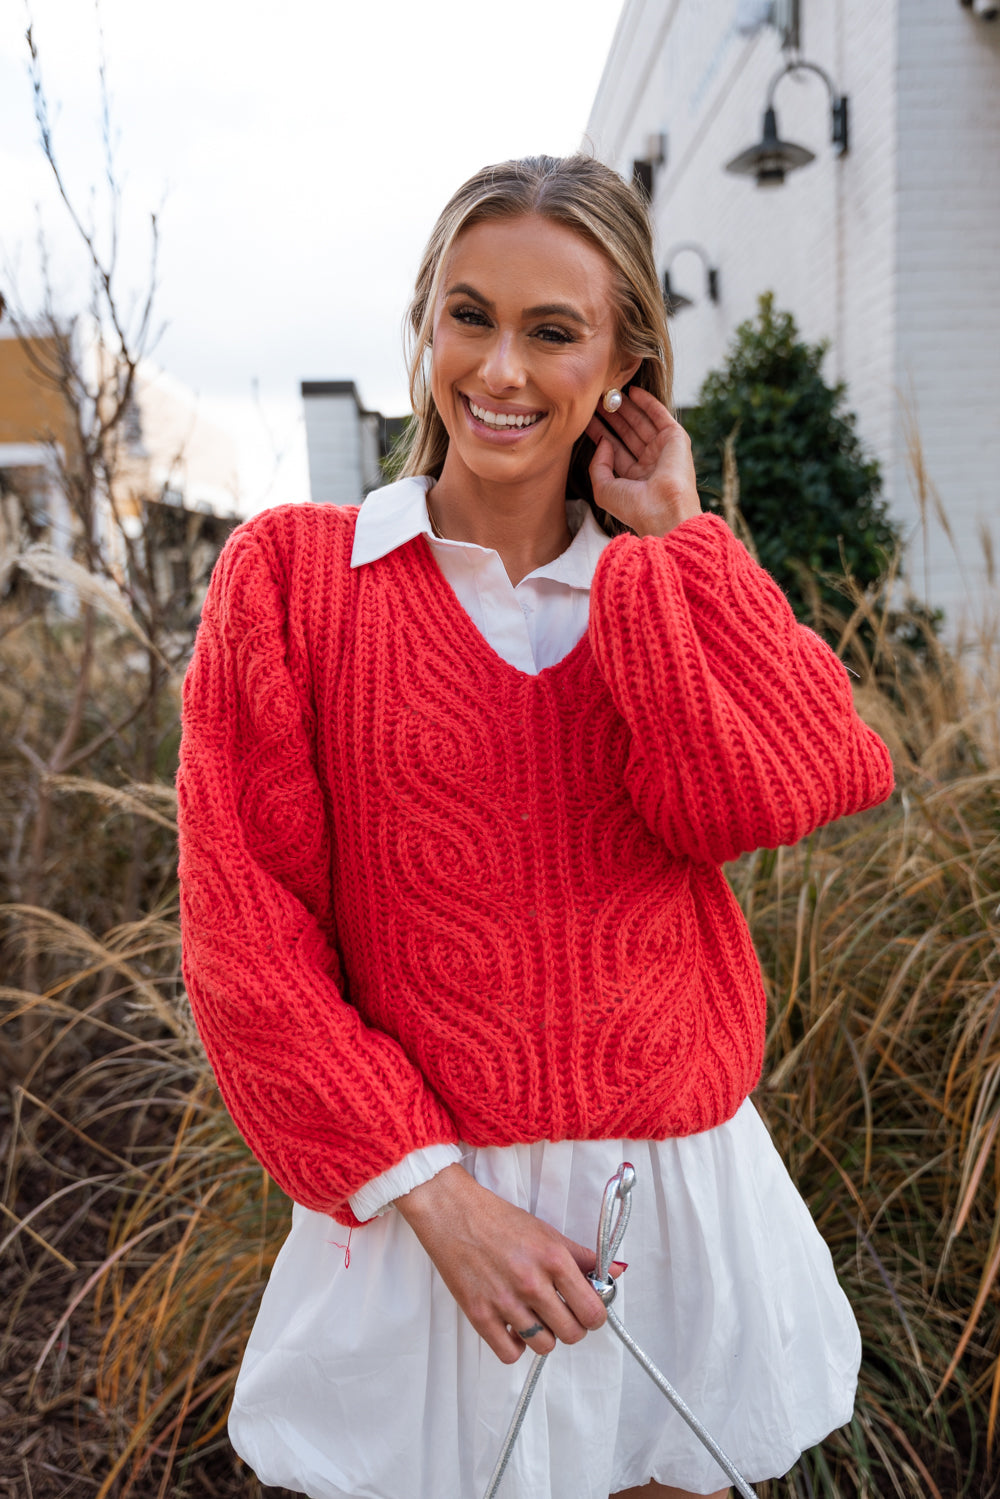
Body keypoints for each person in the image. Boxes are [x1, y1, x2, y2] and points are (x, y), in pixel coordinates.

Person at [176, 154, 895, 1499]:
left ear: (626, 363)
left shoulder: (650, 586)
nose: (498, 370)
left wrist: (680, 540)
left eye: (552, 331)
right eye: (469, 316)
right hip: (420, 1211)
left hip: (675, 1207)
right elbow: (245, 937)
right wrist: (439, 1204)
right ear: (426, 325)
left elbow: (784, 786)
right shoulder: (292, 582)